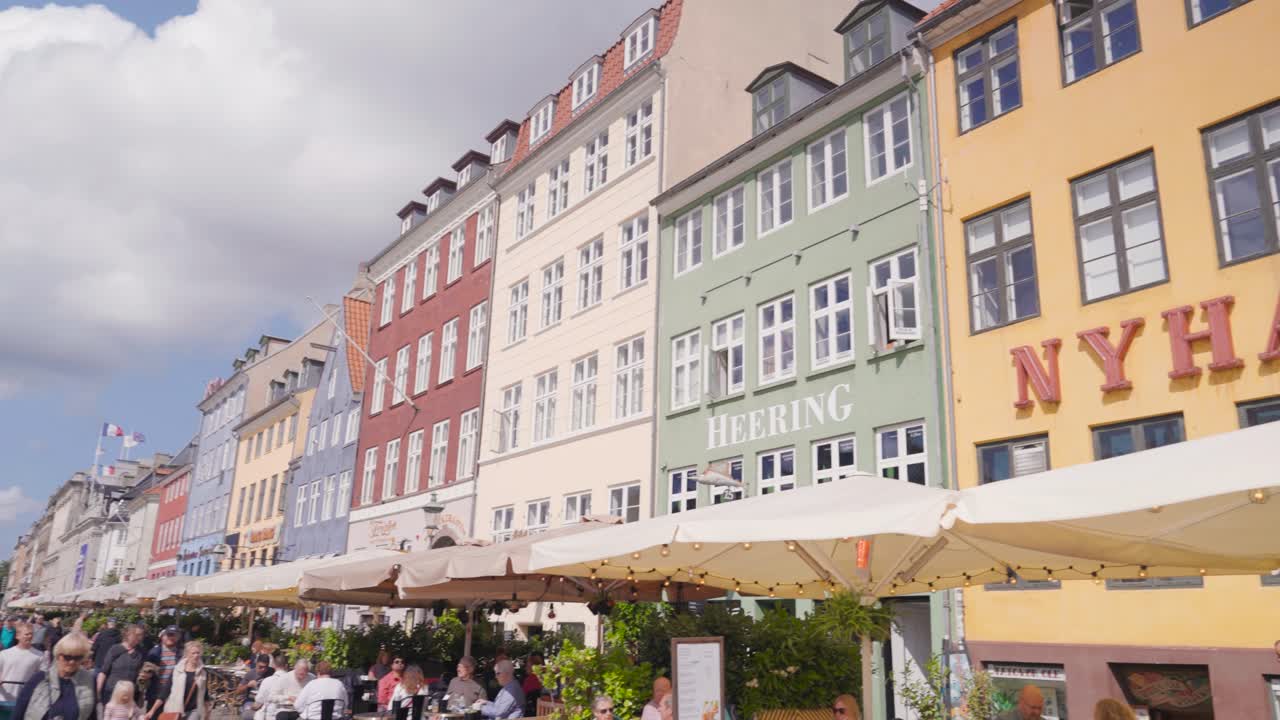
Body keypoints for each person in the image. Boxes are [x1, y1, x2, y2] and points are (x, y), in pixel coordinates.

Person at [13, 632, 98, 720]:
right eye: (67, 657)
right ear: (58, 655)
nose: (72, 662)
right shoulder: (39, 679)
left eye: (78, 658)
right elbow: (18, 712)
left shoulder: (89, 680)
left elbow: (92, 715)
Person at [163, 641, 210, 720]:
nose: (196, 655)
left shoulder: (203, 672)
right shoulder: (177, 670)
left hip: (194, 709)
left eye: (198, 653)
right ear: (187, 654)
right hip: (176, 709)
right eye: (193, 653)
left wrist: (207, 711)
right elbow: (166, 690)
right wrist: (153, 710)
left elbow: (205, 692)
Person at [1, 623, 48, 703]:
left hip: (25, 701)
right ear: (17, 636)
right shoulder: (4, 654)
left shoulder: (40, 655)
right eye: (27, 634)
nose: (30, 636)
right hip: (3, 699)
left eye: (31, 634)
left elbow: (43, 677)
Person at [98, 624, 145, 703]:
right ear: (128, 634)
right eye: (137, 635)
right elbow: (103, 672)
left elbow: (142, 676)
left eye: (141, 635)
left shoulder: (141, 652)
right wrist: (98, 691)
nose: (140, 637)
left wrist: (141, 694)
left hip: (130, 694)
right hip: (112, 692)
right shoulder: (115, 649)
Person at [145, 627, 182, 705]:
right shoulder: (153, 653)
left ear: (178, 637)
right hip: (156, 693)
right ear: (163, 637)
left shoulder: (181, 654)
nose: (171, 637)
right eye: (169, 634)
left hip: (174, 694)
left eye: (174, 635)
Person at [251, 655, 289, 720]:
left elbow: (259, 702)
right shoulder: (293, 680)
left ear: (274, 665)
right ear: (286, 666)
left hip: (270, 716)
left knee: (247, 714)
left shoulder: (267, 681)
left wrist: (252, 707)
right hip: (289, 715)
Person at [237, 655, 274, 720]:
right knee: (247, 714)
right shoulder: (250, 674)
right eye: (261, 667)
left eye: (266, 667)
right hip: (252, 700)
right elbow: (238, 691)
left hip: (267, 700)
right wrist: (248, 685)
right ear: (256, 664)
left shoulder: (271, 672)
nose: (263, 669)